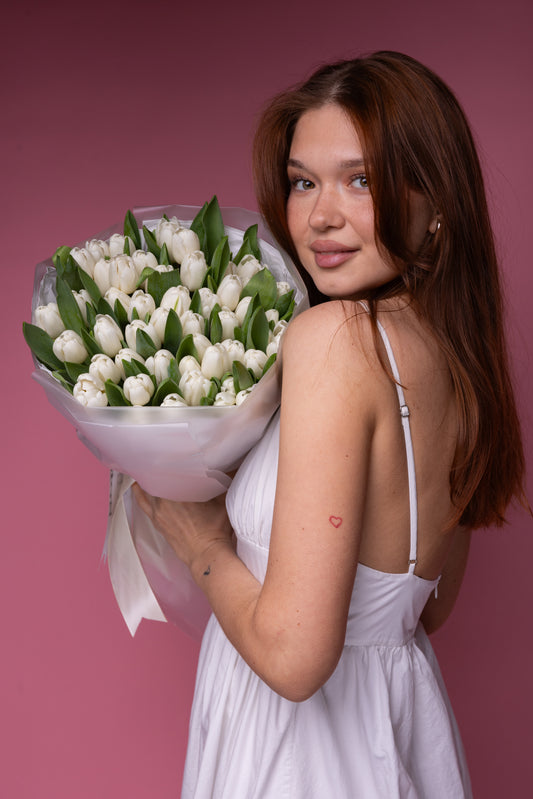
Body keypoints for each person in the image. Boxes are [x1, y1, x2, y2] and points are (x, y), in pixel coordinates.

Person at [133, 51, 528, 798]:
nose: (318, 216)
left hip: (297, 757)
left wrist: (204, 545)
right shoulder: (460, 363)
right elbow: (426, 607)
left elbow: (292, 658)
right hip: (401, 728)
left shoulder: (331, 340)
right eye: (302, 181)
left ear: (435, 201)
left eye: (360, 180)